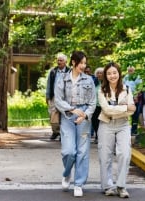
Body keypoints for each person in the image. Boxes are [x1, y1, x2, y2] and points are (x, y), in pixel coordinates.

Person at [54, 50, 96, 197]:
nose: (83, 66)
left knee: (82, 152)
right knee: (68, 151)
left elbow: (92, 102)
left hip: (84, 117)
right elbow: (58, 100)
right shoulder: (61, 78)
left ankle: (79, 184)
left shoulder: (89, 80)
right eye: (81, 63)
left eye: (85, 63)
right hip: (68, 116)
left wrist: (85, 115)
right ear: (73, 62)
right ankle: (66, 174)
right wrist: (72, 110)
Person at [98, 62, 136, 198]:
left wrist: (120, 109)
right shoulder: (102, 90)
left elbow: (133, 109)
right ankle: (108, 186)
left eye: (114, 73)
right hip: (106, 124)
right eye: (109, 73)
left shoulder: (127, 88)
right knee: (105, 156)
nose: (112, 76)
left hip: (123, 125)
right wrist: (125, 108)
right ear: (105, 76)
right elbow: (106, 110)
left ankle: (121, 186)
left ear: (119, 74)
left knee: (124, 154)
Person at [46, 53, 70, 140]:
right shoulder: (53, 71)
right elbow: (49, 84)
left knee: (64, 114)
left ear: (65, 62)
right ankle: (55, 132)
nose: (59, 62)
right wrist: (47, 96)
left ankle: (62, 133)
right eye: (58, 60)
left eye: (61, 60)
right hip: (54, 96)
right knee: (53, 114)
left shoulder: (69, 71)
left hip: (65, 97)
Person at [123, 66, 142, 135]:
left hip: (135, 98)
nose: (130, 72)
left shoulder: (137, 77)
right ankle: (125, 129)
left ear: (134, 71)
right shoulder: (126, 77)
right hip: (127, 98)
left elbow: (140, 87)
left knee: (135, 114)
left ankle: (134, 130)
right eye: (129, 70)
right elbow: (123, 86)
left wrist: (136, 96)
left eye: (131, 70)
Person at [91, 67, 104, 144]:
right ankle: (97, 135)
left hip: (103, 106)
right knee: (94, 121)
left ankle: (100, 136)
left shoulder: (106, 83)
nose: (99, 74)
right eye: (98, 73)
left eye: (101, 73)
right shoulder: (94, 82)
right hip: (95, 105)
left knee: (102, 121)